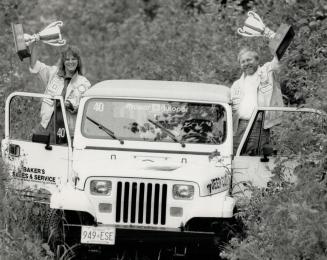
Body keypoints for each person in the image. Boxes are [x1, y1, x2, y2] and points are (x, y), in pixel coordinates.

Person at [28, 41, 91, 140]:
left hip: (67, 131)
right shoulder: (53, 73)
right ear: (63, 61)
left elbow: (80, 104)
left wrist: (68, 104)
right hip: (46, 126)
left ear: (78, 61)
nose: (71, 62)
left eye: (74, 59)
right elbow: (34, 66)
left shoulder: (84, 83)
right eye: (67, 59)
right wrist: (35, 44)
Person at [231, 47, 284, 154]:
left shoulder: (266, 72)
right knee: (236, 153)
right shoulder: (237, 84)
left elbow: (277, 59)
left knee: (254, 154)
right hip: (240, 124)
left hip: (258, 122)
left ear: (257, 60)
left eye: (249, 60)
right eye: (243, 62)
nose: (246, 63)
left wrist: (272, 37)